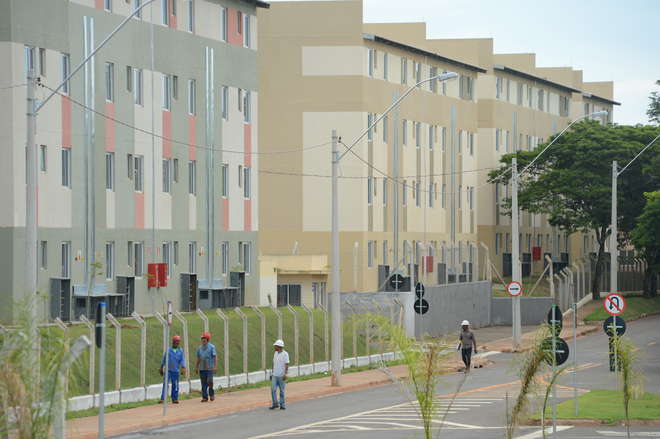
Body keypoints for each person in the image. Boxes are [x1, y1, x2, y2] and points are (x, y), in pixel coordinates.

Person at [159, 335, 187, 404]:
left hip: (176, 371)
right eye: (175, 341)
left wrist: (183, 367)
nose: (176, 343)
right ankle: (163, 398)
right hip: (168, 371)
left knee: (175, 385)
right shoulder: (168, 350)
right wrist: (161, 367)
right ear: (173, 342)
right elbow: (164, 359)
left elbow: (182, 360)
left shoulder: (180, 351)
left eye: (177, 342)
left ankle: (175, 398)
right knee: (165, 384)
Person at [195, 332, 217, 402]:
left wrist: (215, 366)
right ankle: (205, 397)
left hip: (210, 368)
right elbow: (198, 358)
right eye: (202, 338)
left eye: (204, 338)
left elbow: (214, 357)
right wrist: (196, 367)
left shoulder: (212, 347)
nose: (203, 340)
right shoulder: (199, 348)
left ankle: (211, 393)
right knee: (203, 383)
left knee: (209, 381)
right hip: (202, 368)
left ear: (208, 339)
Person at [270, 339, 289, 410]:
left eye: (275, 346)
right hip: (275, 375)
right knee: (273, 389)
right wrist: (272, 373)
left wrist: (285, 374)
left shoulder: (285, 354)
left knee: (282, 391)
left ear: (279, 346)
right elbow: (273, 363)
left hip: (281, 375)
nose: (274, 347)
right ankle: (275, 404)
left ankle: (282, 404)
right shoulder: (275, 353)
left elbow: (286, 364)